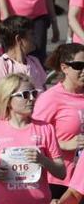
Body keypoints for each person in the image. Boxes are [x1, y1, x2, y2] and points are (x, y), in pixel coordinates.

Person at [0, 73, 66, 202]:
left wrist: (43, 160)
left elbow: (61, 173)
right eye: (25, 95)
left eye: (34, 94)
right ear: (8, 100)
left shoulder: (45, 129)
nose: (32, 99)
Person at [33, 43, 84, 200]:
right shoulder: (51, 98)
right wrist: (65, 144)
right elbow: (34, 137)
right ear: (64, 68)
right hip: (60, 179)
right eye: (79, 66)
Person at [0, 16, 48, 118]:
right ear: (19, 39)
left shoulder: (35, 62)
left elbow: (45, 95)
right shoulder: (1, 65)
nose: (35, 37)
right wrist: (22, 108)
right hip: (11, 128)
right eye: (31, 34)